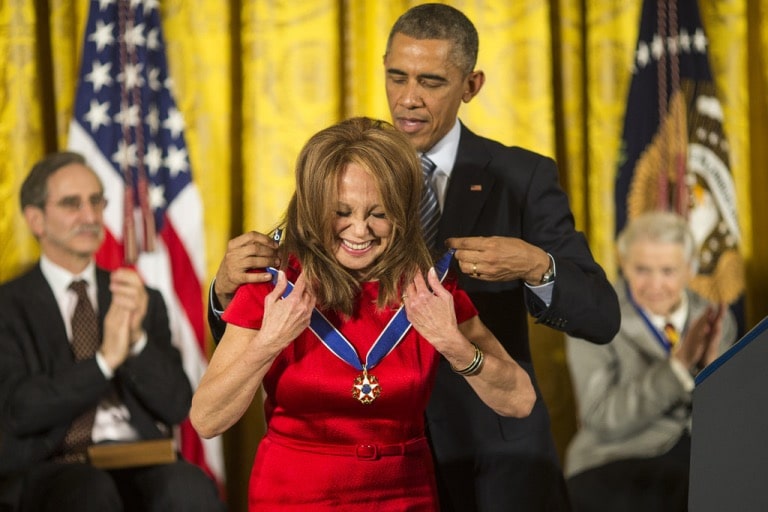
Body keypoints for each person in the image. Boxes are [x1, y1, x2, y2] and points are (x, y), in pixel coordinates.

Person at [208, 4, 620, 511]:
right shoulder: (344, 164)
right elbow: (266, 323)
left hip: (487, 453)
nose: (408, 98)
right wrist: (225, 290)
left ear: (470, 85)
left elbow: (601, 316)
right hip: (354, 458)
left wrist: (537, 266)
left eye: (431, 81)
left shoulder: (523, 178)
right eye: (397, 76)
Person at [190, 117, 536, 511]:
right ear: (311, 208)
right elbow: (206, 420)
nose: (359, 230)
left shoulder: (429, 288)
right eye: (341, 212)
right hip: (294, 495)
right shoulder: (274, 286)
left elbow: (520, 401)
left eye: (379, 213)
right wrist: (269, 341)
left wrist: (453, 344)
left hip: (406, 497)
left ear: (404, 212)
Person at [0, 152, 224, 512]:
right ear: (36, 219)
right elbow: (17, 411)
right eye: (72, 204)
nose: (90, 217)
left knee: (189, 487)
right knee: (88, 492)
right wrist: (104, 362)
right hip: (51, 465)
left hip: (138, 457)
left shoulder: (138, 296)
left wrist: (136, 341)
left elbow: (178, 405)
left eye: (96, 202)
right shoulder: (8, 305)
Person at [564, 210, 737, 512]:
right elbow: (601, 416)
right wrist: (677, 368)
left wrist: (712, 375)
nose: (655, 284)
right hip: (616, 456)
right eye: (642, 270)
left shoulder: (714, 317)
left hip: (700, 453)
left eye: (668, 271)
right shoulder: (591, 317)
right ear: (623, 264)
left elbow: (728, 416)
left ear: (690, 269)